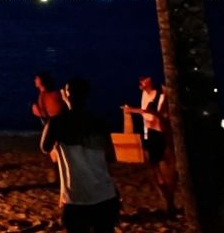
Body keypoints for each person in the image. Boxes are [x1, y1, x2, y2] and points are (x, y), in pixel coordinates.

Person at [42, 78, 119, 233]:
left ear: (66, 95)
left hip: (76, 197)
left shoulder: (57, 123)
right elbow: (110, 157)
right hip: (104, 194)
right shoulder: (99, 122)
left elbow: (45, 147)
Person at [123, 75, 176, 214]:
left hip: (159, 134)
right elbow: (146, 115)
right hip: (149, 133)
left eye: (144, 79)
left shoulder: (160, 96)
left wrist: (136, 111)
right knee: (153, 169)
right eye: (140, 80)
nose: (141, 82)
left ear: (150, 81)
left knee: (164, 169)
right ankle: (166, 199)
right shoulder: (144, 95)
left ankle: (169, 200)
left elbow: (155, 116)